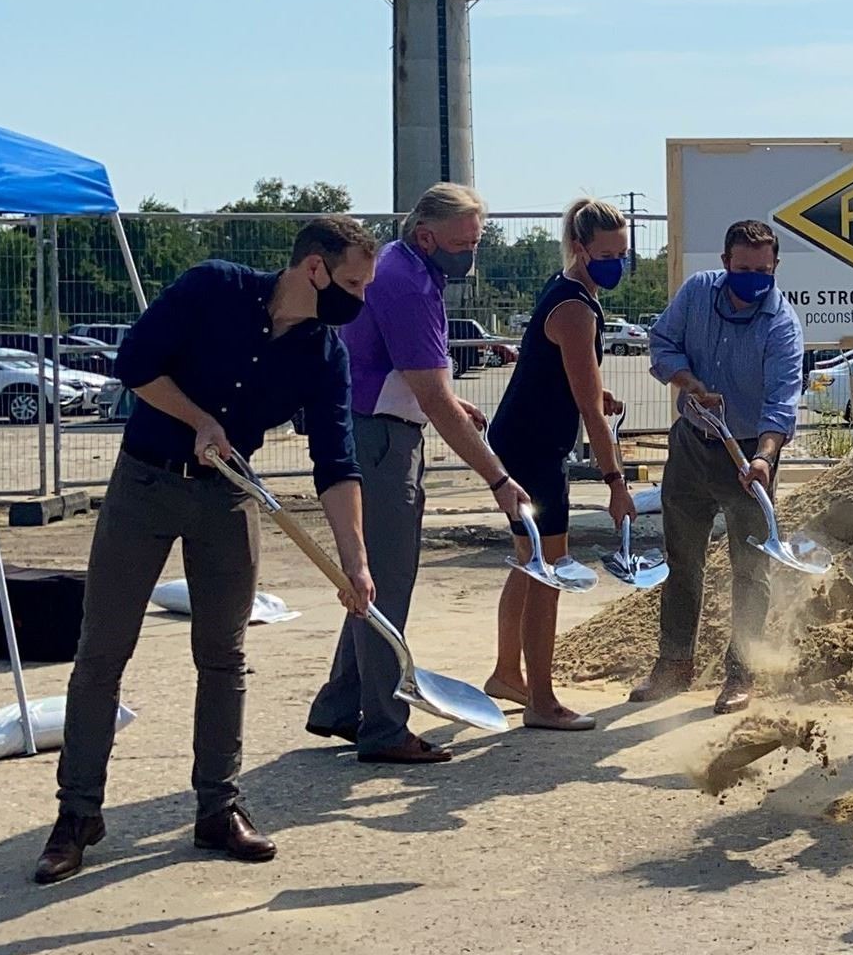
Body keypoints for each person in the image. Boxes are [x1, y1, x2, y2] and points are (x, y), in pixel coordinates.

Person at [33, 216, 381, 884]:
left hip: (228, 499)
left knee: (223, 655)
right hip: (144, 485)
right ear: (314, 268)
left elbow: (337, 462)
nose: (360, 299)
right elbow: (133, 364)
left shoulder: (324, 354)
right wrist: (199, 420)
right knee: (103, 650)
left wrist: (354, 561)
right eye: (353, 283)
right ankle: (77, 817)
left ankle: (218, 810)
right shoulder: (213, 287)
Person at [306, 183, 531, 765]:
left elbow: (421, 382)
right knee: (385, 585)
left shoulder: (405, 267)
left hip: (378, 429)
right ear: (427, 236)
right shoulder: (406, 283)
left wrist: (452, 405)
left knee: (373, 580)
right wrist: (499, 480)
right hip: (379, 442)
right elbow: (433, 398)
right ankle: (384, 728)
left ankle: (340, 704)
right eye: (463, 243)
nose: (470, 254)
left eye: (476, 242)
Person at [635, 219, 805, 715]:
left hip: (748, 454)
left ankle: (741, 673)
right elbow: (662, 344)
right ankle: (674, 664)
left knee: (751, 569)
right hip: (691, 445)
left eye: (763, 270)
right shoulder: (697, 294)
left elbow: (782, 401)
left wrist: (763, 458)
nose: (753, 277)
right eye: (744, 268)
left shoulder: (781, 325)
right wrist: (689, 382)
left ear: (775, 267)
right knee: (681, 560)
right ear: (726, 262)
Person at [482, 197, 638, 731]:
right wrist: (615, 482)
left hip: (522, 439)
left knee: (529, 563)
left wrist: (599, 389)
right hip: (532, 449)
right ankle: (542, 702)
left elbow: (560, 373)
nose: (617, 262)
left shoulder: (568, 293)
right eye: (608, 253)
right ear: (579, 248)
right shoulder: (574, 308)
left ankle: (508, 673)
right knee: (549, 570)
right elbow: (589, 412)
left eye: (623, 252)